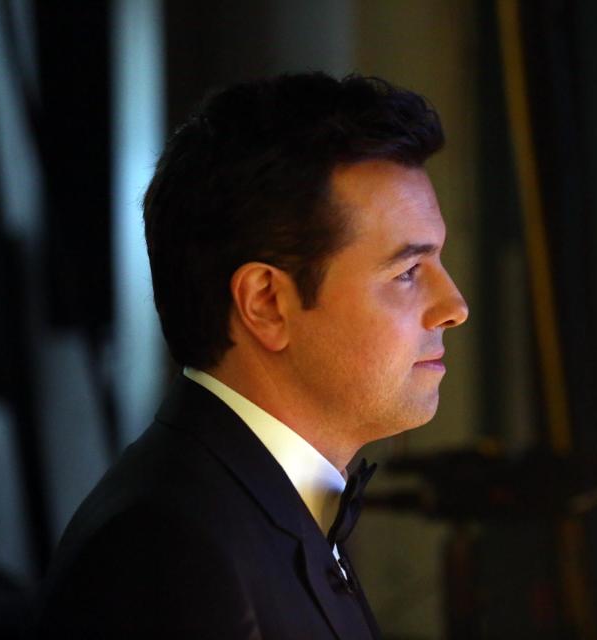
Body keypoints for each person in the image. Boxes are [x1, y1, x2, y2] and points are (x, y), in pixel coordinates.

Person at [33, 72, 469, 639]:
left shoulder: (255, 510)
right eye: (408, 272)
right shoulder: (169, 552)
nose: (453, 306)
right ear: (266, 302)